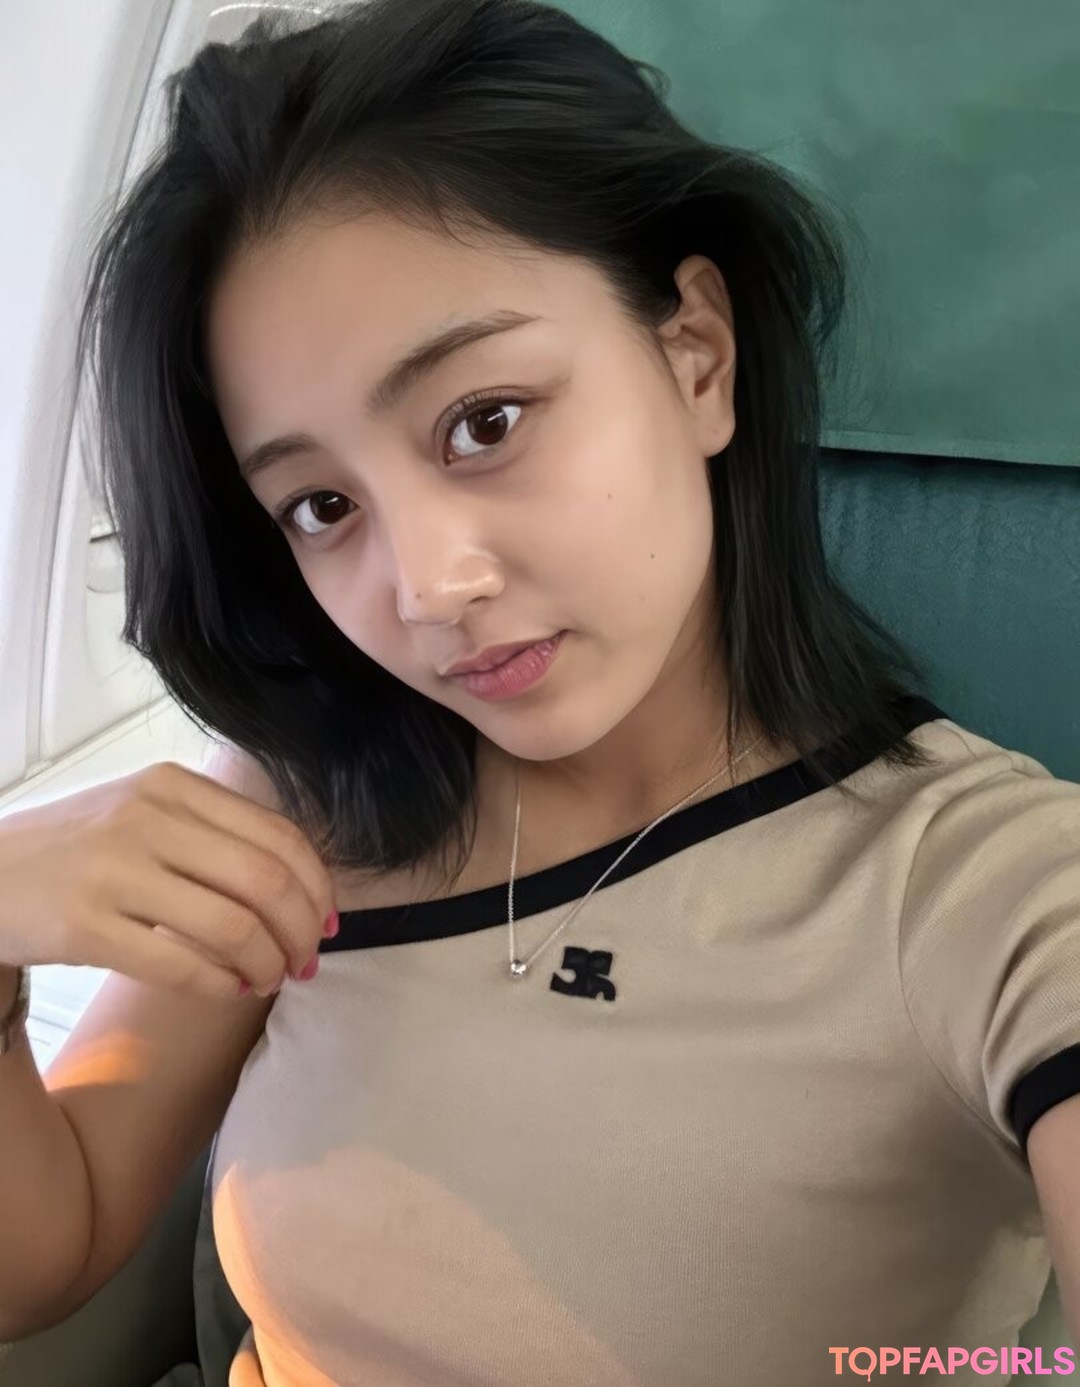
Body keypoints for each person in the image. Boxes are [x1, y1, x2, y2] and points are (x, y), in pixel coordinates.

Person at [0, 0, 1077, 1382]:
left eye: (485, 422)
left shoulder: (992, 894)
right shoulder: (305, 799)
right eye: (322, 505)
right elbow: (51, 1250)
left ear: (696, 355)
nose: (426, 586)